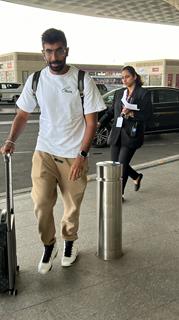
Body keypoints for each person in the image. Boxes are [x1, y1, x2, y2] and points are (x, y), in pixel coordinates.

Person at [0, 28, 106, 274]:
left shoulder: (82, 80)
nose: (55, 57)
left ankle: (69, 243)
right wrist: (11, 140)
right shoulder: (36, 80)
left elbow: (92, 122)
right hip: (44, 151)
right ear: (43, 53)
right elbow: (22, 114)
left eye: (59, 51)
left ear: (66, 50)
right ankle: (49, 245)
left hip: (73, 154)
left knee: (72, 206)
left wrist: (82, 155)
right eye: (49, 52)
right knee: (41, 204)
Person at [98, 66, 152, 199]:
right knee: (115, 165)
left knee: (121, 166)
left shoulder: (142, 93)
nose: (124, 79)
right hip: (117, 133)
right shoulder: (119, 93)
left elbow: (148, 114)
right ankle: (136, 176)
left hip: (131, 134)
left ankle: (118, 195)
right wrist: (100, 123)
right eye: (122, 77)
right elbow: (111, 111)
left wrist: (133, 113)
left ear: (134, 76)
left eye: (127, 76)